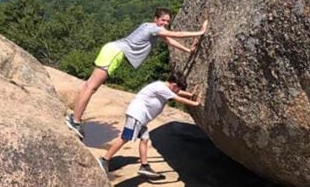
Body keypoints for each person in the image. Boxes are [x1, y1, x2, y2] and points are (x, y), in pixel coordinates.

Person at [66, 7, 207, 139]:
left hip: (111, 49)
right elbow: (177, 34)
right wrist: (200, 32)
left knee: (88, 86)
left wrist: (188, 50)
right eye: (163, 20)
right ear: (156, 19)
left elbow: (169, 40)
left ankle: (74, 118)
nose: (165, 23)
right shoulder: (153, 29)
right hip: (115, 53)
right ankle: (76, 121)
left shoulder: (149, 26)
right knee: (91, 87)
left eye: (167, 21)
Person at [97, 75, 202, 180]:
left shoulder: (164, 87)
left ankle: (144, 166)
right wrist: (195, 103)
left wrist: (190, 95)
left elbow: (176, 93)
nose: (178, 90)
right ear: (174, 85)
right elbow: (177, 97)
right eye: (178, 88)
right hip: (136, 115)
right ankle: (104, 160)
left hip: (140, 119)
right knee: (125, 137)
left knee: (145, 139)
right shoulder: (162, 88)